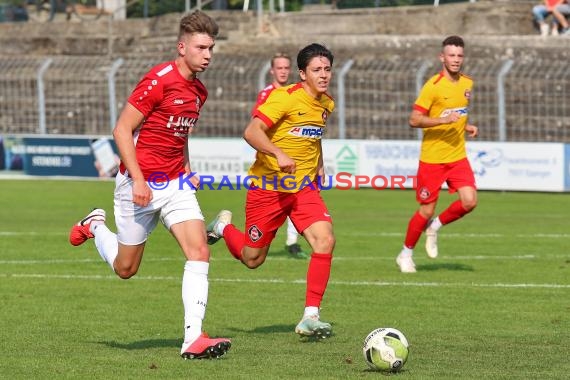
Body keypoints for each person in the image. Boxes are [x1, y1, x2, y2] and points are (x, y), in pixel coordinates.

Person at [68, 11, 231, 359]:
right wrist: (139, 178)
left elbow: (180, 134)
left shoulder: (199, 91)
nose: (208, 55)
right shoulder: (158, 80)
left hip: (175, 186)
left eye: (211, 48)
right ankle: (94, 225)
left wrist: (188, 169)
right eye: (202, 47)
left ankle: (192, 338)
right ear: (182, 46)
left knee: (199, 251)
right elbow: (121, 130)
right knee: (126, 269)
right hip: (137, 186)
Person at [207, 43, 336, 339]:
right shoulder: (284, 98)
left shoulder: (327, 103)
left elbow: (314, 137)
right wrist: (278, 153)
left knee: (325, 240)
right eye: (317, 70)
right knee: (253, 259)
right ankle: (224, 227)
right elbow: (251, 131)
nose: (324, 74)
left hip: (303, 188)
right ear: (302, 73)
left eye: (327, 69)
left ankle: (310, 317)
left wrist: (319, 165)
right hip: (268, 190)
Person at [396, 35, 478, 274]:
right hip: (432, 159)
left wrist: (466, 125)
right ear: (442, 57)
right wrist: (441, 120)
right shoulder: (433, 86)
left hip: (457, 156)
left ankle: (435, 227)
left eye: (459, 55)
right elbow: (414, 119)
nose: (456, 60)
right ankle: (406, 253)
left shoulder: (467, 84)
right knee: (426, 210)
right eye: (451, 55)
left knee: (470, 201)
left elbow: (458, 114)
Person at [253, 52, 308, 260]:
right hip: (273, 159)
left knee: (298, 195)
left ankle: (292, 242)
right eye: (280, 68)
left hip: (294, 157)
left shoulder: (296, 92)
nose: (283, 71)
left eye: (286, 68)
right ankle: (259, 239)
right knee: (282, 200)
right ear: (272, 71)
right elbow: (257, 127)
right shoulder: (266, 94)